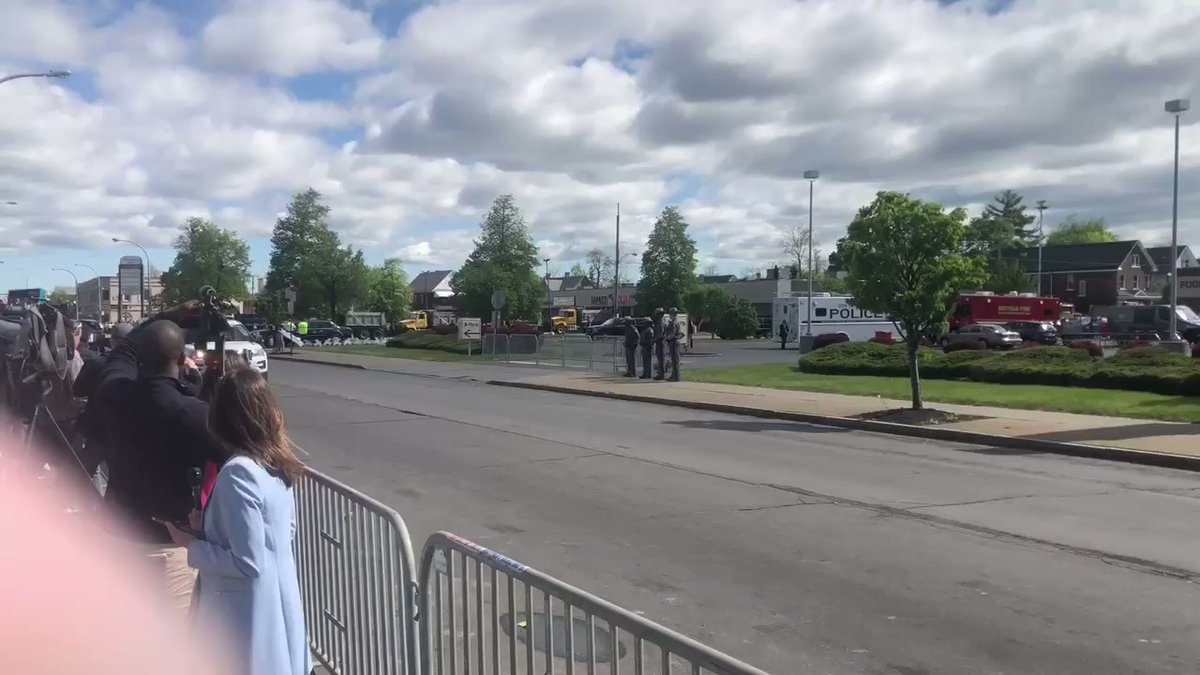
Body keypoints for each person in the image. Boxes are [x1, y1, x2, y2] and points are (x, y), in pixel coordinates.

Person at [161, 368, 310, 675]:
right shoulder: (274, 464)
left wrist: (191, 543)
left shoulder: (239, 473)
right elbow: (281, 533)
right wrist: (211, 526)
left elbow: (248, 562)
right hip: (278, 609)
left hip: (247, 619)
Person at [91, 307, 227, 616]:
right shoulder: (194, 415)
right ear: (181, 361)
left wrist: (161, 319)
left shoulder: (114, 394)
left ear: (141, 359)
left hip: (115, 534)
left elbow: (121, 357)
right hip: (168, 546)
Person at [665, 308, 683, 382]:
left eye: (671, 314)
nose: (670, 315)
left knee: (675, 360)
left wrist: (666, 338)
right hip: (673, 341)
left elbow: (672, 333)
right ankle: (674, 375)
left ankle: (676, 377)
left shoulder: (674, 322)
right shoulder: (673, 322)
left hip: (674, 341)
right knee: (673, 360)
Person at [652, 308, 666, 380]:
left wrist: (654, 340)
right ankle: (660, 373)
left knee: (661, 359)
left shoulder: (660, 322)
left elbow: (660, 334)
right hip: (659, 342)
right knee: (660, 358)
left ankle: (662, 374)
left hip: (660, 342)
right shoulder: (659, 322)